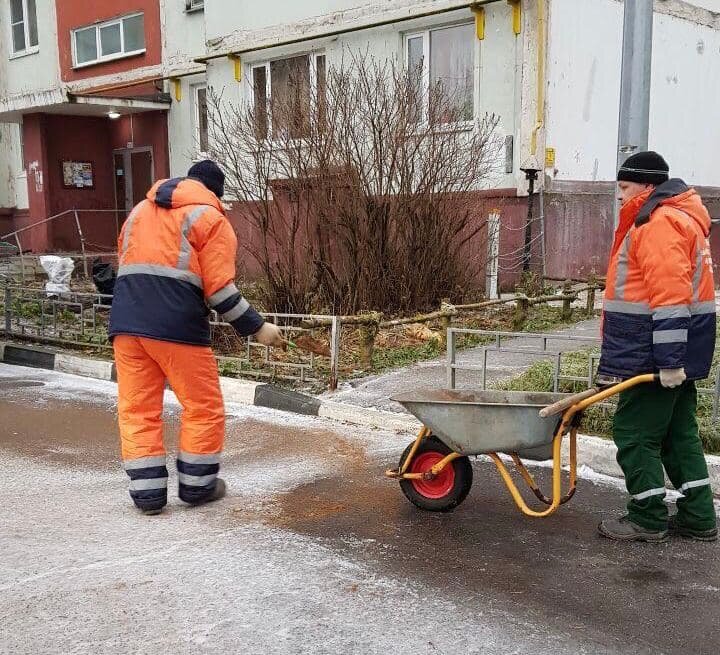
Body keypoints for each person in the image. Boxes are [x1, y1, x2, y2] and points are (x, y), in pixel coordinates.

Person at [109, 160, 285, 515]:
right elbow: (220, 292)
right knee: (202, 407)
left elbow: (130, 265)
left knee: (138, 409)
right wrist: (258, 328)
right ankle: (197, 487)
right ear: (215, 192)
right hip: (177, 328)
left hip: (126, 324)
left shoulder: (140, 211)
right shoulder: (210, 218)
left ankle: (148, 496)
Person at [597, 151, 717, 542]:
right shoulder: (681, 218)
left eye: (625, 187)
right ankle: (698, 516)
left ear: (648, 186)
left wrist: (668, 363)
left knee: (633, 433)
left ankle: (646, 517)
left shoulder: (658, 223)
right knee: (678, 434)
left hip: (652, 355)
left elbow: (669, 297)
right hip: (677, 353)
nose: (619, 196)